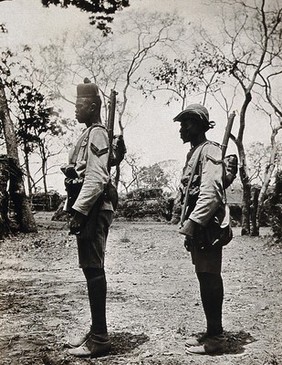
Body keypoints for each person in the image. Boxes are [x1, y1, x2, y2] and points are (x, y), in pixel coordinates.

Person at [61, 79, 115, 358]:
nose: (75, 109)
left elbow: (96, 177)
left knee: (94, 269)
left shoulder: (98, 134)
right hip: (88, 206)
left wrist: (79, 211)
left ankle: (100, 338)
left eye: (79, 105)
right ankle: (96, 329)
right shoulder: (88, 134)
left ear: (93, 107)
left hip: (93, 207)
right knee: (90, 268)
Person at [173, 104, 230, 355]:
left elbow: (211, 192)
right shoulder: (195, 152)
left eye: (186, 124)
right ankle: (211, 332)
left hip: (208, 225)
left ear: (198, 125)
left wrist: (193, 223)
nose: (181, 129)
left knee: (209, 277)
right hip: (200, 225)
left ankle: (216, 338)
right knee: (204, 276)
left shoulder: (209, 150)